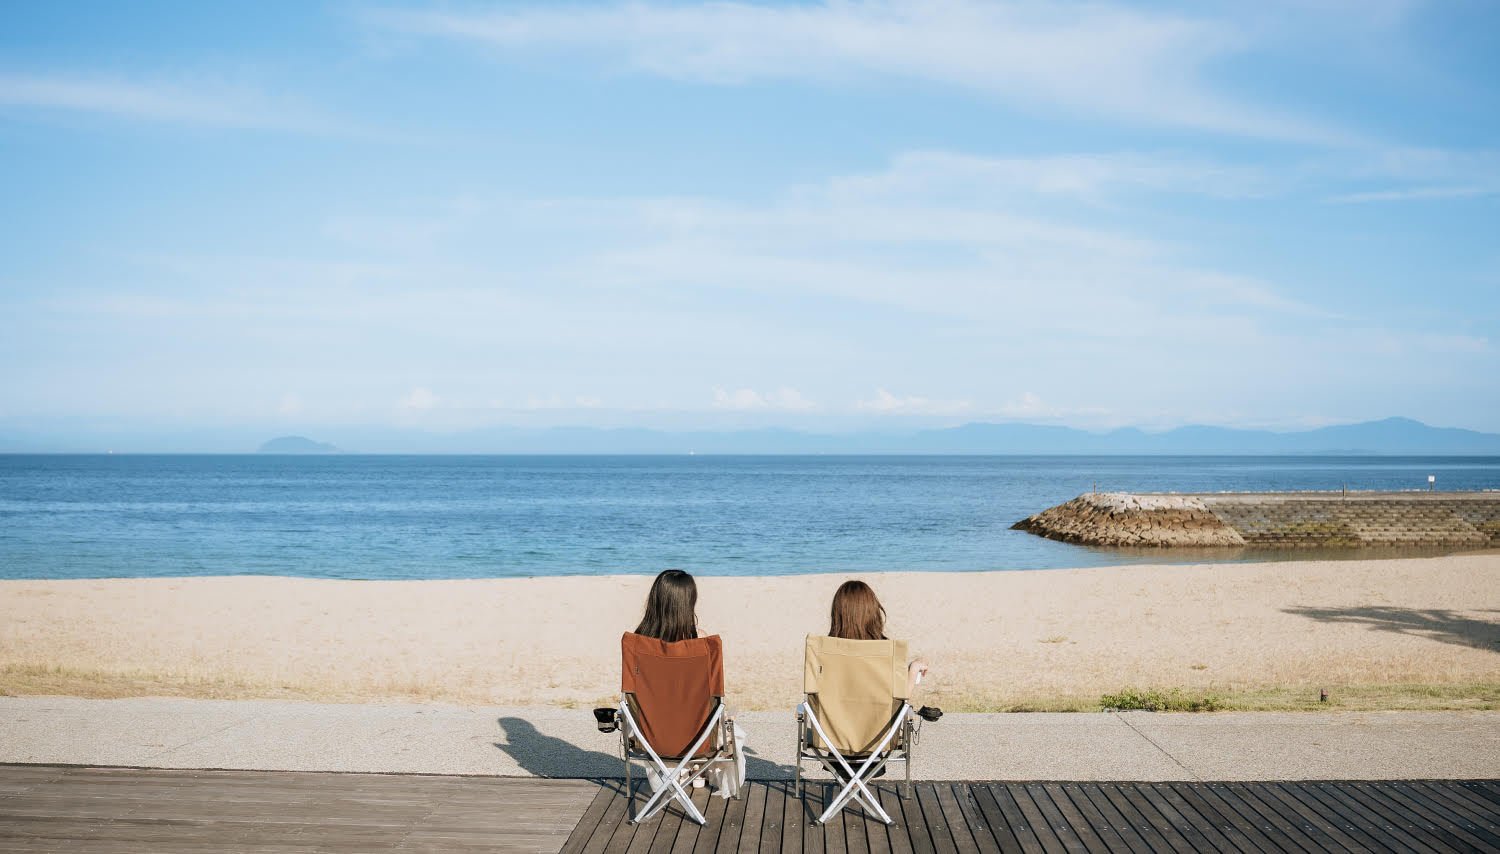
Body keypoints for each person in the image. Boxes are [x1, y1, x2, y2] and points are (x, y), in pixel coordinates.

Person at [631, 569, 746, 798]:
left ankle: (682, 771)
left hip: (652, 736)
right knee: (723, 724)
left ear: (654, 601)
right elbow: (711, 695)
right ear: (689, 602)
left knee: (671, 714)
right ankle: (696, 767)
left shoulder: (639, 643)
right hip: (698, 738)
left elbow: (636, 695)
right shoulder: (700, 641)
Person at [827, 579, 929, 695]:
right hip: (878, 713)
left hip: (831, 713)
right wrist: (914, 669)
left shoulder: (824, 653)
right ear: (873, 613)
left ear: (836, 615)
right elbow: (900, 700)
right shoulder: (885, 652)